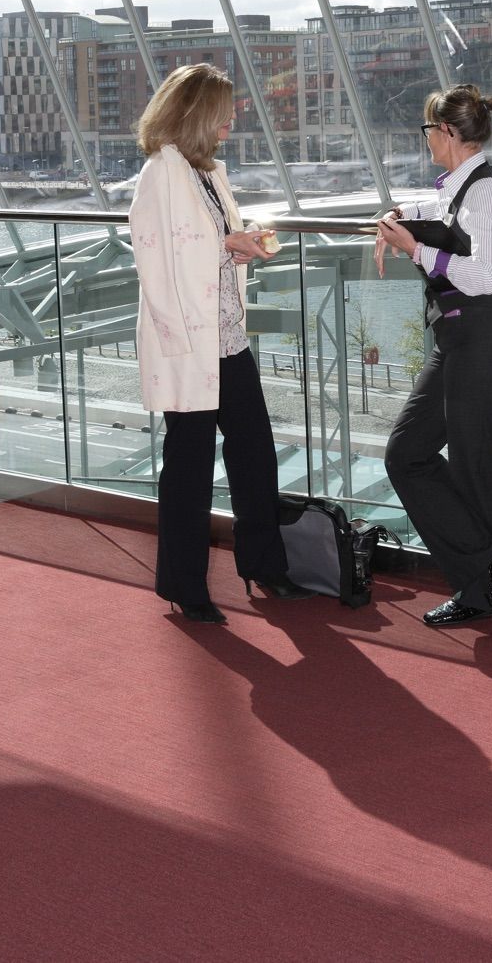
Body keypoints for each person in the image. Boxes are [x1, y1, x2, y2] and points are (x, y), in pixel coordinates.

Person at [129, 63, 312, 624]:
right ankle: (184, 585)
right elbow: (154, 258)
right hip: (190, 345)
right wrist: (222, 246)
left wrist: (236, 245)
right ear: (195, 113)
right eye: (224, 110)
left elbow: (202, 246)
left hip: (228, 338)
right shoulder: (161, 173)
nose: (233, 118)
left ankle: (263, 562)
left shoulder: (208, 173)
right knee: (187, 468)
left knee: (254, 453)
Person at [375, 84, 492, 633]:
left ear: (447, 133)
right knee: (412, 454)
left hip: (484, 341)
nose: (425, 142)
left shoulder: (486, 194)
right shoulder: (462, 189)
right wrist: (401, 216)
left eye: (427, 131)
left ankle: (481, 581)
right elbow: (440, 211)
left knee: (469, 462)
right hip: (464, 341)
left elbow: (485, 276)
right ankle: (485, 572)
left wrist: (414, 249)